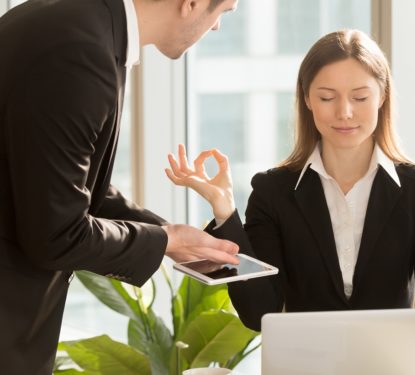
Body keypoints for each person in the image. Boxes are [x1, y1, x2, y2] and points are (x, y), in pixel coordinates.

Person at [166, 29, 415, 331]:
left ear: (382, 97)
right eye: (327, 97)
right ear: (307, 100)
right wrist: (223, 208)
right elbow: (259, 313)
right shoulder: (273, 190)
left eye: (360, 97)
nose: (344, 113)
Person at [0, 0, 243, 372]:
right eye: (222, 11)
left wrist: (167, 234)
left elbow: (61, 181)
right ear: (192, 3)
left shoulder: (68, 18)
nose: (215, 29)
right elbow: (57, 234)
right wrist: (166, 241)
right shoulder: (83, 52)